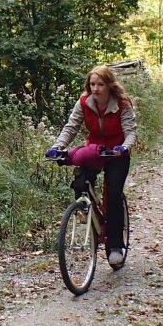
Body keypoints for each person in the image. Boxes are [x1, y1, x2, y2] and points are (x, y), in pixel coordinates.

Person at [45, 65, 137, 267]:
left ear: (109, 85)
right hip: (95, 150)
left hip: (116, 152)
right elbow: (71, 127)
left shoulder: (122, 104)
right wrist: (57, 146)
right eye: (92, 84)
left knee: (113, 194)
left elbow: (131, 131)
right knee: (80, 183)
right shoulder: (84, 103)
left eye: (100, 84)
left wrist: (123, 147)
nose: (95, 89)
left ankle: (114, 246)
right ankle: (86, 224)